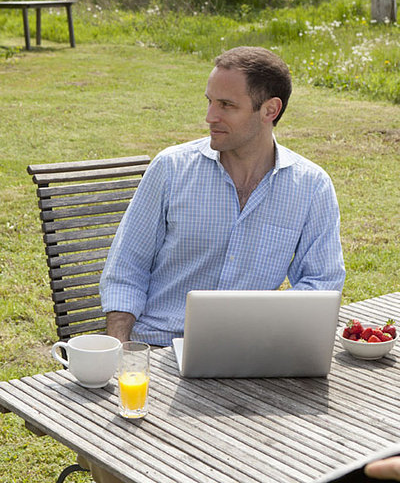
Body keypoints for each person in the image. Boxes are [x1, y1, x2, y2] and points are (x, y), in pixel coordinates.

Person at [81, 46, 346, 483]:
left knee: (312, 460)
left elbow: (321, 283)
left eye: (226, 105)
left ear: (270, 110)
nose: (209, 116)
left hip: (248, 366)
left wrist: (266, 340)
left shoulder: (311, 186)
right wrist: (123, 354)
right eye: (209, 101)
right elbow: (126, 268)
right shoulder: (171, 168)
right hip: (157, 356)